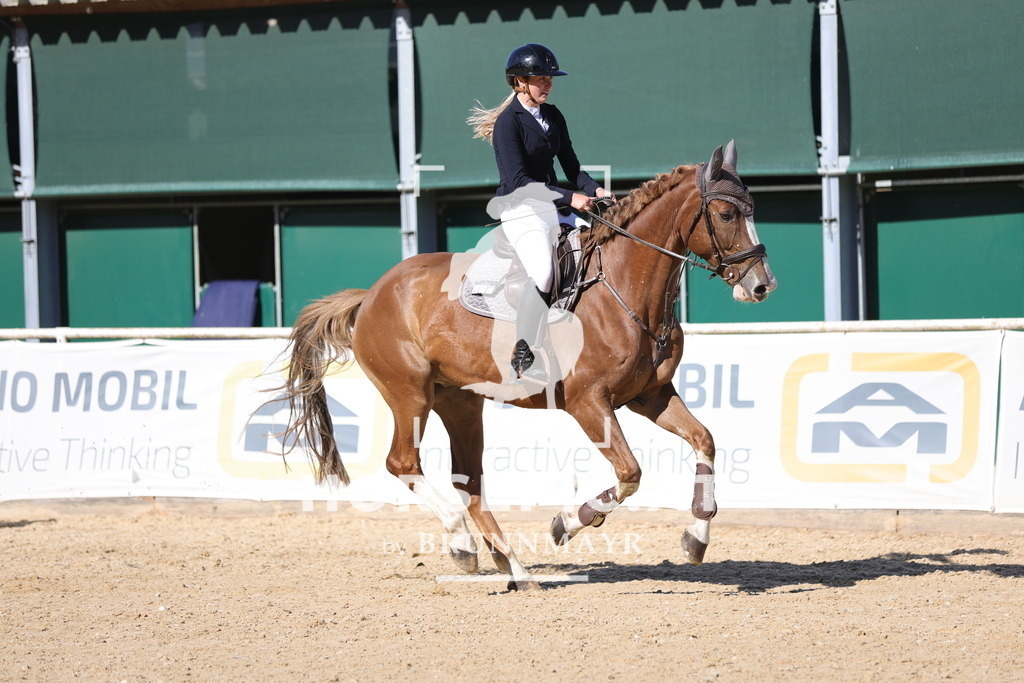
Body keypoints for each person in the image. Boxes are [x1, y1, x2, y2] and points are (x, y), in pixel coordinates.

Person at [467, 43, 614, 384]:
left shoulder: (553, 116)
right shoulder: (508, 123)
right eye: (539, 79)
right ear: (519, 82)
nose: (547, 84)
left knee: (597, 251)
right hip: (521, 209)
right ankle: (523, 354)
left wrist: (596, 191)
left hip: (552, 205)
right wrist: (569, 198)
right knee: (544, 271)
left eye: (549, 78)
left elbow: (574, 168)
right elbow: (519, 181)